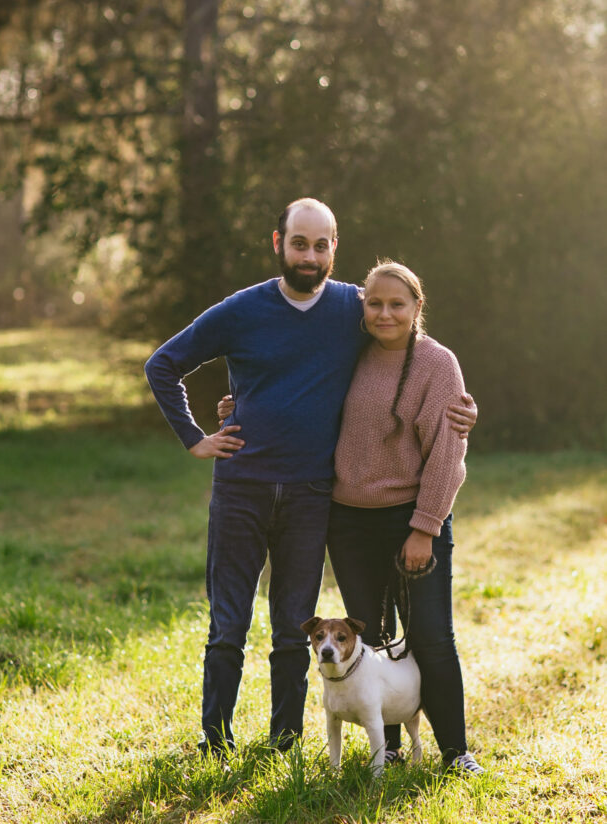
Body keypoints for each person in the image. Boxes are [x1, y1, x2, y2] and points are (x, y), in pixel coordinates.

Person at [144, 198, 477, 757]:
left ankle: (289, 744)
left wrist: (466, 413)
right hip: (260, 492)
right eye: (299, 242)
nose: (309, 254)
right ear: (279, 244)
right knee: (229, 625)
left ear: (334, 249)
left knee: (298, 633)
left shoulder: (354, 306)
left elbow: (423, 369)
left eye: (321, 244)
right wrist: (199, 434)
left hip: (313, 496)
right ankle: (216, 741)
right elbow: (164, 363)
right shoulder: (253, 310)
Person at [327, 259, 484, 774]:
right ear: (363, 308)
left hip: (412, 521)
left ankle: (455, 752)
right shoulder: (351, 354)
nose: (385, 313)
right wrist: (237, 407)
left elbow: (446, 453)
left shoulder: (437, 364)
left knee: (431, 638)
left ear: (418, 307)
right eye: (375, 303)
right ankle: (388, 748)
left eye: (397, 304)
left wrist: (424, 528)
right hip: (349, 522)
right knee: (370, 639)